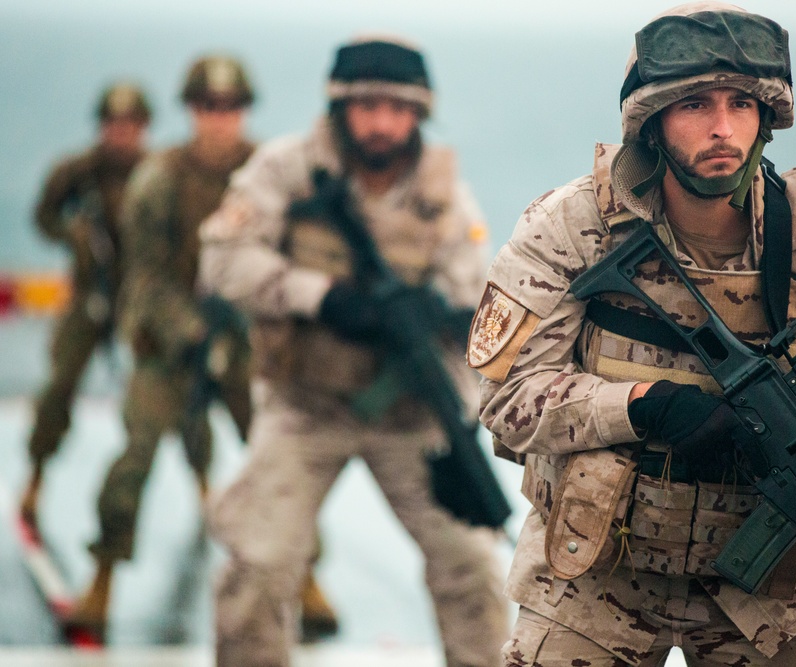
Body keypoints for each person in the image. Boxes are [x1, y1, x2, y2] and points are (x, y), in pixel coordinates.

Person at [469, 3, 796, 665]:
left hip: (766, 588)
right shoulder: (572, 228)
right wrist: (644, 406)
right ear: (652, 123)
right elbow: (506, 402)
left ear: (767, 118)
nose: (723, 128)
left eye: (741, 104)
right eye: (696, 105)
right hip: (596, 571)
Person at [199, 35, 508, 667]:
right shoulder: (287, 169)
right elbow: (221, 260)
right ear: (340, 107)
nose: (383, 123)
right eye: (367, 106)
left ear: (419, 114)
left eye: (399, 109)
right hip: (306, 404)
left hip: (413, 412)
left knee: (474, 567)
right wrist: (320, 296)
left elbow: (479, 293)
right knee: (258, 567)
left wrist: (442, 312)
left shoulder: (444, 193)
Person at [68, 54, 338, 641]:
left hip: (251, 346)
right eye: (208, 108)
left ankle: (308, 577)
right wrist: (186, 327)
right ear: (192, 112)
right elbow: (143, 274)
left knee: (281, 463)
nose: (220, 119)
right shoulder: (159, 178)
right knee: (136, 455)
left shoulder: (270, 174)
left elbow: (299, 256)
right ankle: (103, 577)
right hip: (170, 345)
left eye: (231, 107)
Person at [20, 82, 150, 533]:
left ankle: (203, 484)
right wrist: (72, 235)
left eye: (130, 126)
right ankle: (35, 479)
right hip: (89, 297)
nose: (121, 134)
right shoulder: (78, 172)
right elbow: (43, 216)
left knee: (170, 391)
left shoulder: (157, 174)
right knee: (59, 388)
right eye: (114, 125)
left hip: (140, 300)